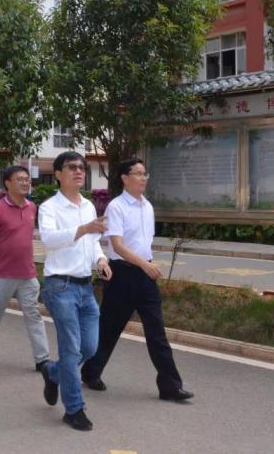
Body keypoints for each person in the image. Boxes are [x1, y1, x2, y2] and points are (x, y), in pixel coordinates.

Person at [82, 159, 193, 402]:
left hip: (145, 276)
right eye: (138, 173)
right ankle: (90, 371)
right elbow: (118, 246)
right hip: (122, 275)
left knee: (157, 332)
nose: (143, 178)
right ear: (125, 178)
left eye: (145, 174)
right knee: (108, 329)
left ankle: (170, 386)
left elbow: (144, 243)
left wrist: (146, 264)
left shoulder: (147, 206)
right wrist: (145, 264)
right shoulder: (116, 207)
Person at [38, 151, 113, 432]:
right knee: (70, 349)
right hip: (60, 286)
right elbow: (49, 239)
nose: (79, 171)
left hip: (85, 287)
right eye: (72, 167)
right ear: (58, 174)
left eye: (81, 167)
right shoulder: (49, 207)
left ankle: (53, 372)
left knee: (89, 347)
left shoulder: (88, 206)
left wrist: (101, 260)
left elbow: (92, 242)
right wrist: (84, 228)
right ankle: (74, 409)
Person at [0, 165, 50, 371]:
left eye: (27, 179)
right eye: (20, 179)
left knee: (34, 315)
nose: (25, 183)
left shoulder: (32, 207)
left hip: (28, 274)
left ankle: (42, 359)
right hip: (2, 274)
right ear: (8, 183)